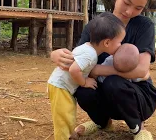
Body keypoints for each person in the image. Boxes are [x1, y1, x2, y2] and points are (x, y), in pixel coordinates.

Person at [51, 0, 156, 140]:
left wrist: (97, 70)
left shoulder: (144, 26)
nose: (129, 11)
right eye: (127, 2)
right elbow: (78, 62)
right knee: (83, 89)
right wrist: (54, 54)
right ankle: (102, 123)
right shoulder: (96, 25)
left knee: (114, 83)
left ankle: (139, 128)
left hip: (137, 96)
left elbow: (141, 71)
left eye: (138, 8)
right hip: (105, 93)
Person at [47, 12, 126, 140]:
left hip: (64, 87)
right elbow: (74, 70)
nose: (120, 45)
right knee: (63, 116)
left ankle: (69, 134)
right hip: (61, 87)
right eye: (119, 42)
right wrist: (84, 82)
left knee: (68, 113)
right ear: (107, 42)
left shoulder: (88, 48)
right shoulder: (90, 54)